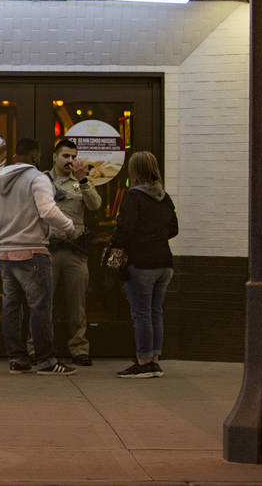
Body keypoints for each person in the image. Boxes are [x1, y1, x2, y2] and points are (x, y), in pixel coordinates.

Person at [0, 138, 77, 376]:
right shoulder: (38, 178)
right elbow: (47, 210)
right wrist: (69, 227)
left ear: (16, 155)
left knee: (11, 307)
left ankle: (17, 359)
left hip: (5, 253)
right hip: (33, 252)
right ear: (36, 156)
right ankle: (46, 361)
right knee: (40, 307)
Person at [110, 151, 178, 379]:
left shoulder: (134, 197)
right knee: (155, 312)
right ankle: (155, 360)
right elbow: (174, 228)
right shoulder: (164, 196)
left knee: (141, 313)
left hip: (140, 262)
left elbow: (125, 229)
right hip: (165, 263)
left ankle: (143, 361)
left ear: (134, 171)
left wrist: (115, 246)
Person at [42, 138, 102, 366]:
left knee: (77, 303)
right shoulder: (42, 181)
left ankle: (79, 348)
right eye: (65, 156)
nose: (70, 160)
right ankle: (38, 347)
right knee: (43, 303)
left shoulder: (79, 182)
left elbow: (95, 205)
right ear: (55, 157)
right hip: (47, 249)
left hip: (75, 251)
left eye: (73, 157)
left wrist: (83, 180)